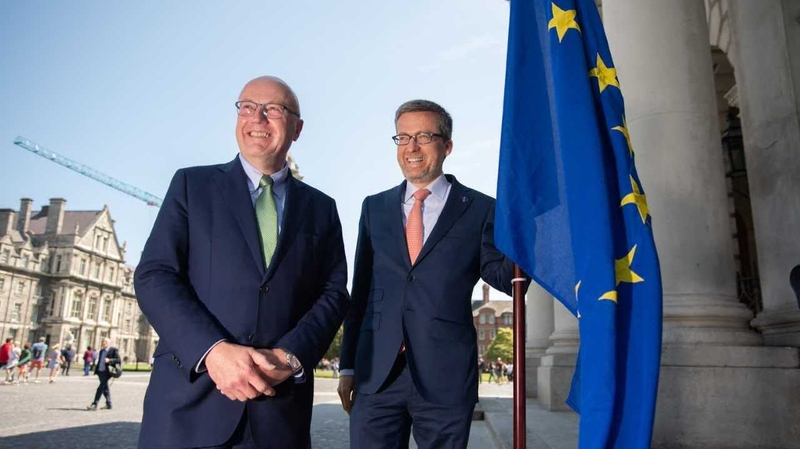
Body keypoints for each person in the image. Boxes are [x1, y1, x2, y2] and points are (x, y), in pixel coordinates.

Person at [134, 76, 349, 449]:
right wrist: (213, 351)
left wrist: (290, 355)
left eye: (273, 110)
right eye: (247, 107)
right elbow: (155, 274)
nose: (258, 118)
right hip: (190, 407)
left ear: (297, 129)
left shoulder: (322, 208)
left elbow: (333, 293)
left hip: (279, 413)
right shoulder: (191, 185)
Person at [338, 100, 523, 448]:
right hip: (376, 374)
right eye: (403, 137)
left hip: (446, 377)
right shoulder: (373, 207)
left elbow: (505, 279)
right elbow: (360, 293)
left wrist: (529, 236)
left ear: (447, 145)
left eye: (423, 136)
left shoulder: (482, 209)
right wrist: (347, 366)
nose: (411, 147)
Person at [86, 337, 120, 410]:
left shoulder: (113, 350)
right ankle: (109, 404)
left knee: (100, 387)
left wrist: (109, 360)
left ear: (108, 343)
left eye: (105, 342)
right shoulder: (101, 351)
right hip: (100, 372)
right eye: (102, 341)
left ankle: (95, 404)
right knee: (105, 388)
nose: (103, 343)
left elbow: (118, 360)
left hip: (108, 372)